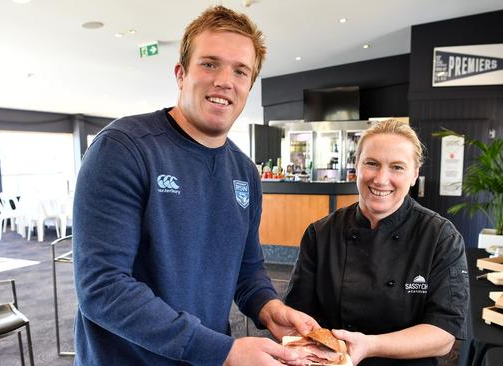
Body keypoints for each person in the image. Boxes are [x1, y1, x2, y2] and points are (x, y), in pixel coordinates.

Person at [72, 6, 318, 365]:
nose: (224, 80)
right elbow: (103, 288)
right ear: (181, 73)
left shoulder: (245, 172)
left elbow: (247, 269)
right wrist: (224, 351)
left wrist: (269, 307)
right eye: (209, 64)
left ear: (249, 85)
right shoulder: (124, 148)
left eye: (240, 71)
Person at [284, 119, 470, 366]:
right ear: (357, 166)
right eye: (372, 164)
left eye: (397, 167)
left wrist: (370, 345)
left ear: (415, 174)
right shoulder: (321, 233)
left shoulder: (440, 238)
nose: (381, 179)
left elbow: (443, 335)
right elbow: (299, 314)